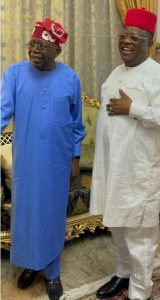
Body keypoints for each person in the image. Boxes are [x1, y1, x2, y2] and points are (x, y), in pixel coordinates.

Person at [90, 8, 160, 300]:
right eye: (122, 36)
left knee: (140, 236)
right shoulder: (117, 72)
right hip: (112, 167)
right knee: (117, 226)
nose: (125, 42)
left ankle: (140, 291)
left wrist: (134, 109)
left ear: (149, 42)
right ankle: (123, 274)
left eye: (134, 37)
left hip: (139, 171)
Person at [1, 18, 85, 300]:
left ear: (57, 51)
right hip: (26, 160)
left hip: (57, 162)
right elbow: (1, 112)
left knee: (51, 216)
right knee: (26, 214)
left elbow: (76, 124)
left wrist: (75, 156)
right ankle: (31, 265)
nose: (35, 50)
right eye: (33, 43)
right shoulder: (13, 74)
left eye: (43, 45)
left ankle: (53, 272)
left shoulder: (70, 77)